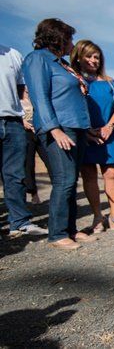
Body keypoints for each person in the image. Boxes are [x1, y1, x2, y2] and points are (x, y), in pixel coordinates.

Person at [22, 19, 95, 249]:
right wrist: (54, 129)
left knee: (71, 181)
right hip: (60, 128)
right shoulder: (37, 59)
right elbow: (40, 97)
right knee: (63, 180)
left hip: (77, 127)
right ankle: (57, 234)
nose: (72, 44)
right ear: (57, 38)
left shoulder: (62, 63)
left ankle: (71, 229)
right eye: (70, 39)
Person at [70, 40, 114, 233]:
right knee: (88, 175)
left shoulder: (110, 83)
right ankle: (97, 216)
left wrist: (110, 125)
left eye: (97, 57)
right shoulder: (73, 81)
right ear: (78, 57)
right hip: (84, 135)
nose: (94, 60)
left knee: (112, 173)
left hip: (108, 134)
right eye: (89, 56)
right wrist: (86, 131)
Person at [2, 43, 48, 238]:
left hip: (13, 121)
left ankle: (19, 222)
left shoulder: (13, 54)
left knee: (15, 174)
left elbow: (22, 88)